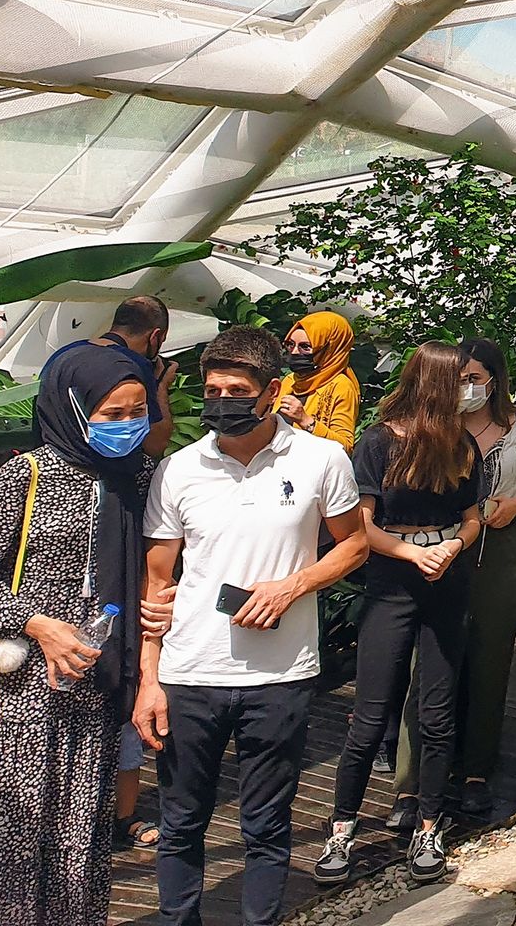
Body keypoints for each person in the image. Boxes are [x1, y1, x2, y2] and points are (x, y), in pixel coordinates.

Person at [134, 325, 367, 926]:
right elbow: (158, 581)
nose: (221, 403)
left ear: (271, 391)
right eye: (212, 391)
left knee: (267, 823)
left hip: (280, 673)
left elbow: (355, 545)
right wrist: (148, 678)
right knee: (182, 821)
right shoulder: (180, 469)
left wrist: (293, 586)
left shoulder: (321, 459)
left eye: (236, 391)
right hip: (190, 671)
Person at [0, 341, 154, 926]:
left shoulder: (136, 477)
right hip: (18, 700)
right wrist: (37, 623)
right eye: (111, 415)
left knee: (77, 840)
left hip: (92, 693)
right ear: (71, 407)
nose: (126, 427)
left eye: (137, 412)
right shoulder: (26, 476)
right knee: (11, 835)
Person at [318, 342, 482, 887]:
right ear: (436, 384)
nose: (470, 388)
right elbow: (361, 525)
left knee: (437, 713)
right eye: (460, 380)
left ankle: (428, 825)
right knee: (370, 714)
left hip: (447, 579)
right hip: (392, 582)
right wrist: (414, 553)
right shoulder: (380, 442)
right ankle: (341, 828)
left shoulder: (462, 445)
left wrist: (451, 548)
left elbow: (473, 519)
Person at [387, 337, 516, 827]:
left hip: (499, 548)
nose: (465, 388)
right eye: (458, 378)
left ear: (495, 380)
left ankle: (476, 773)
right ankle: (411, 783)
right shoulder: (433, 427)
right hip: (442, 548)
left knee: (489, 659)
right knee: (430, 661)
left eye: (475, 379)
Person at [40, 295, 178, 456]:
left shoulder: (64, 355)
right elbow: (155, 444)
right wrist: (160, 386)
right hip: (103, 470)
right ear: (155, 336)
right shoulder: (132, 365)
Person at [277, 311, 360, 451]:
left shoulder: (341, 386)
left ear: (329, 349)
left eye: (305, 347)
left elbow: (345, 446)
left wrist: (305, 420)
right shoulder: (290, 380)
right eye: (290, 345)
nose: (295, 352)